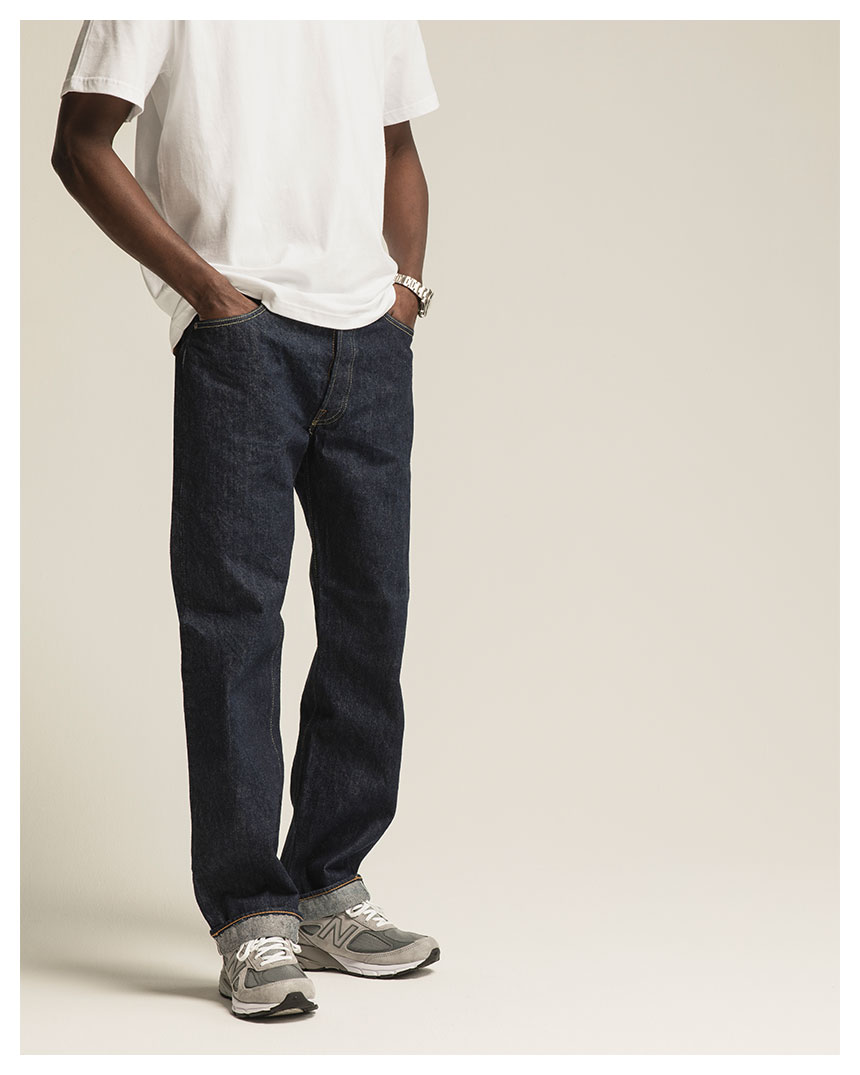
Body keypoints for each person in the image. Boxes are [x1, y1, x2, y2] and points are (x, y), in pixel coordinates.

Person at [52, 19, 440, 1020]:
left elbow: (399, 143)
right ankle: (249, 913)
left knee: (371, 616)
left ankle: (327, 886)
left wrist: (403, 295)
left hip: (368, 342)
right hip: (242, 342)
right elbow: (80, 142)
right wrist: (208, 293)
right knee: (233, 626)